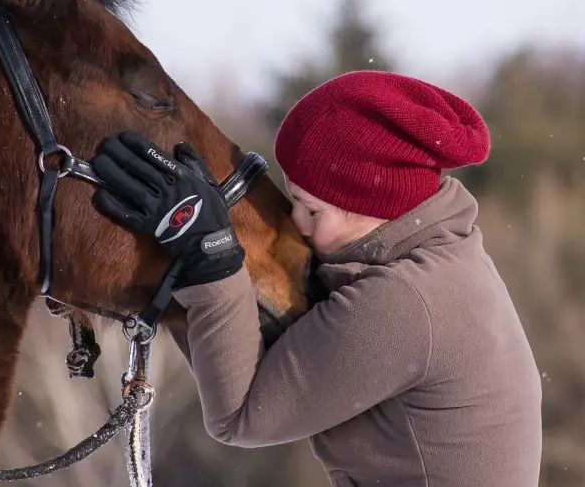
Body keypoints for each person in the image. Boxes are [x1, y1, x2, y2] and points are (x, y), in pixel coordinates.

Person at [90, 70, 543, 487]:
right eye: (292, 197)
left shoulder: (406, 302)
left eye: (312, 208)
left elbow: (242, 416)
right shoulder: (446, 258)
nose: (297, 222)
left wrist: (209, 258)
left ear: (375, 207)